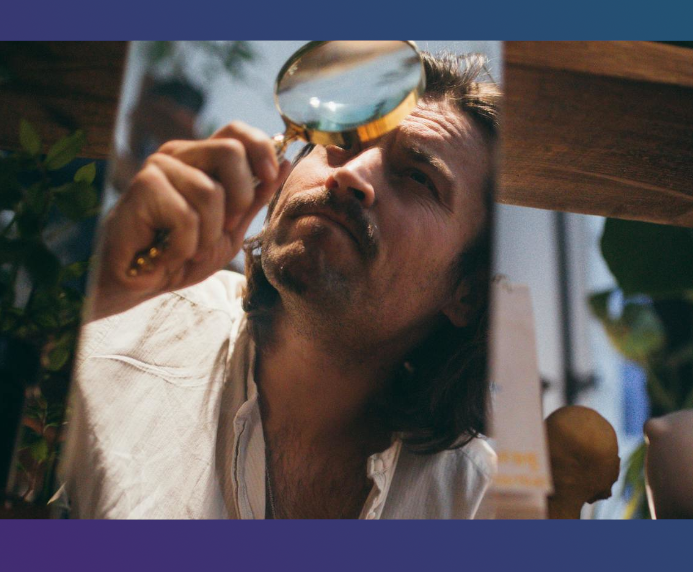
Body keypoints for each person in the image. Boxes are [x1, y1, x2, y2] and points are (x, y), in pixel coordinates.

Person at [61, 52, 501, 519]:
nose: (351, 173)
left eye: (418, 177)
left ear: (467, 293)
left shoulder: (476, 503)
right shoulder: (112, 331)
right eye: (343, 138)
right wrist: (98, 291)